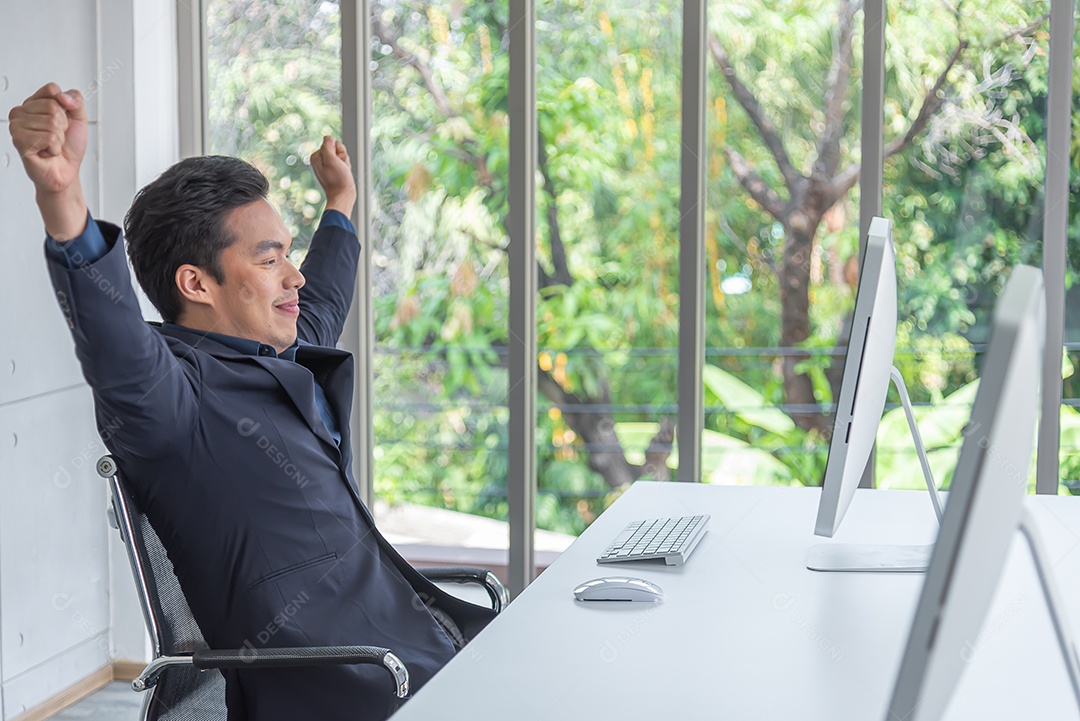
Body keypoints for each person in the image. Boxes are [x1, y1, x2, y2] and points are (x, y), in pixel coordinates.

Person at [8, 82, 495, 721]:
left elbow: (320, 298)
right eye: (269, 261)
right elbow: (114, 340)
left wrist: (341, 202)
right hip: (358, 689)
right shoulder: (170, 400)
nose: (291, 275)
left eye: (286, 255)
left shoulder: (266, 354)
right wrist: (61, 198)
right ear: (197, 283)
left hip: (425, 652)